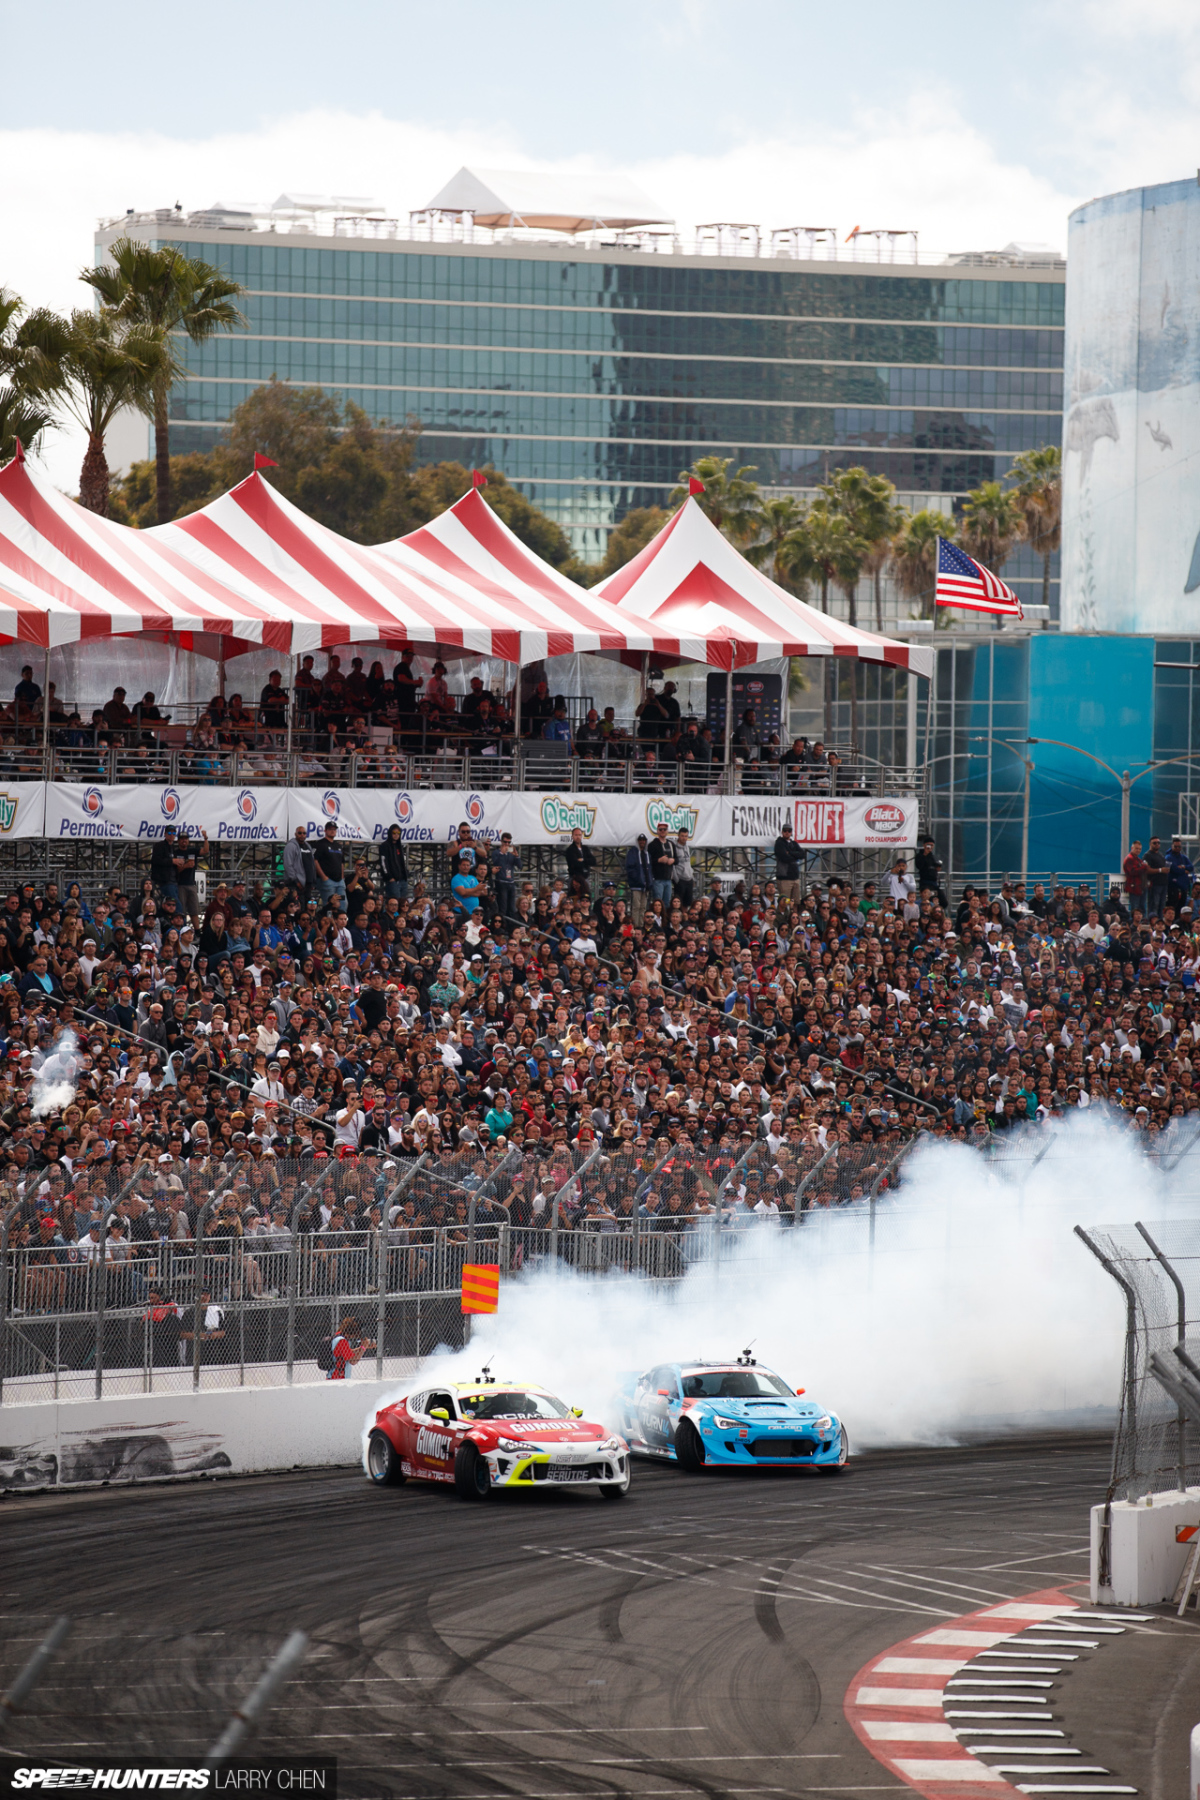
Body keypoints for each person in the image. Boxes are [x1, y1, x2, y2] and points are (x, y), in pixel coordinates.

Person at [327, 1314, 375, 1380]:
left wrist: (364, 1346)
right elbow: (353, 1361)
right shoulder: (342, 1341)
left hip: (338, 1377)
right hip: (337, 1378)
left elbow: (349, 1352)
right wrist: (363, 1348)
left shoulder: (338, 1336)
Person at [315, 822, 347, 903]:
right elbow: (315, 861)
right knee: (329, 905)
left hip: (340, 881)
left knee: (343, 904)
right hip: (327, 881)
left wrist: (342, 877)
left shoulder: (338, 846)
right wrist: (324, 877)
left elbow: (342, 863)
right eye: (330, 829)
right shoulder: (320, 844)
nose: (332, 831)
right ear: (325, 830)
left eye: (334, 829)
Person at [625, 835, 652, 926]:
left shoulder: (647, 853)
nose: (642, 842)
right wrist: (637, 879)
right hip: (636, 885)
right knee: (636, 907)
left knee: (643, 907)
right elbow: (630, 868)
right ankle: (635, 925)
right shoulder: (633, 852)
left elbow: (649, 869)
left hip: (646, 885)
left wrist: (649, 881)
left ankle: (641, 925)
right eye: (640, 840)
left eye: (644, 840)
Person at [284, 825, 315, 900]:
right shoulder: (291, 846)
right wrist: (296, 881)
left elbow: (312, 864)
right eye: (300, 833)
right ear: (295, 834)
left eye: (304, 833)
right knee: (296, 906)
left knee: (307, 906)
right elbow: (288, 864)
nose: (302, 835)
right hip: (295, 884)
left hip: (307, 884)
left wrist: (313, 881)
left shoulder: (308, 846)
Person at [773, 822, 803, 903]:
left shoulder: (794, 843)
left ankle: (794, 915)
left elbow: (802, 854)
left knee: (796, 902)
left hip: (795, 877)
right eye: (785, 830)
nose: (787, 832)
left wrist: (789, 852)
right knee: (785, 902)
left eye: (789, 830)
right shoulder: (779, 843)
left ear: (791, 832)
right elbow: (784, 857)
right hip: (784, 877)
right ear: (782, 832)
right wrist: (795, 855)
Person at [649, 822, 676, 908]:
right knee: (657, 903)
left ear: (667, 831)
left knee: (667, 904)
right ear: (657, 831)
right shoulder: (652, 845)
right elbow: (648, 861)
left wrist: (673, 860)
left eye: (664, 829)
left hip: (668, 879)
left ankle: (664, 920)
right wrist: (659, 860)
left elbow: (677, 859)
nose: (662, 831)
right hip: (657, 879)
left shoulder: (671, 844)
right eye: (660, 829)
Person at [565, 827, 596, 901]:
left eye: (579, 835)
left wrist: (582, 860)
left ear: (581, 836)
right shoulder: (570, 849)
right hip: (575, 878)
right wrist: (585, 862)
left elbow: (594, 861)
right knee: (574, 898)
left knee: (587, 898)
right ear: (572, 836)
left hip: (585, 877)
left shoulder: (585, 848)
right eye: (576, 835)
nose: (578, 837)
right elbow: (574, 864)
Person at [380, 824, 409, 900]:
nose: (396, 835)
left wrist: (405, 875)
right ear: (390, 833)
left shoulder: (399, 846)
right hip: (393, 881)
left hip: (402, 880)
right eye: (394, 833)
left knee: (403, 903)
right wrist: (389, 877)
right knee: (395, 902)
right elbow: (383, 863)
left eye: (398, 833)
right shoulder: (384, 846)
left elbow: (402, 862)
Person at [672, 828, 695, 906]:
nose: (684, 838)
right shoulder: (674, 847)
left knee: (687, 903)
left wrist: (691, 876)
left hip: (689, 879)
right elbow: (673, 864)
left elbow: (688, 863)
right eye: (682, 836)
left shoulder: (687, 847)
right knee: (679, 903)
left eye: (686, 836)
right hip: (680, 879)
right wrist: (676, 879)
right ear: (678, 836)